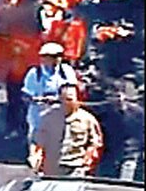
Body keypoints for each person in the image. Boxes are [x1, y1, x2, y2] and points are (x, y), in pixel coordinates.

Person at [22, 42, 79, 174]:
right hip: (38, 113)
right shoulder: (34, 73)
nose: (54, 59)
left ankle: (53, 169)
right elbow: (26, 95)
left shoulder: (66, 71)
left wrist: (60, 99)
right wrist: (39, 100)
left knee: (57, 141)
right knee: (37, 142)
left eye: (57, 56)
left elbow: (71, 90)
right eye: (49, 56)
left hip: (59, 114)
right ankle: (35, 168)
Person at [57, 83, 104, 177]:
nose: (66, 103)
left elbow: (95, 144)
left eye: (70, 99)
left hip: (75, 167)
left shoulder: (87, 119)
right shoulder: (49, 117)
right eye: (63, 99)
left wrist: (86, 164)